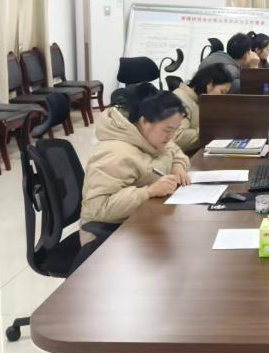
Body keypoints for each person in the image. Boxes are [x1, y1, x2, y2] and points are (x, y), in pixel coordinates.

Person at [80, 84, 191, 245]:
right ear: (144, 121)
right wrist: (148, 191)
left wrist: (178, 166)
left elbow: (174, 150)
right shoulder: (115, 154)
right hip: (108, 238)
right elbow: (98, 208)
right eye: (167, 130)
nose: (171, 137)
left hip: (142, 221)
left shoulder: (153, 136)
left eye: (175, 130)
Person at [171, 63, 232, 154]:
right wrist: (209, 131)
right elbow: (177, 137)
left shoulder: (200, 101)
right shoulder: (181, 99)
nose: (222, 98)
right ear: (209, 84)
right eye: (222, 92)